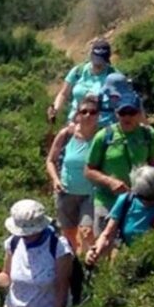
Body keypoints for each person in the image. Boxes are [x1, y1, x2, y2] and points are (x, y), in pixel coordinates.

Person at [82, 92, 154, 232]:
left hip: (139, 202)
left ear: (139, 113)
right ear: (116, 113)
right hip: (107, 201)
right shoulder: (104, 136)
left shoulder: (148, 135)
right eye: (123, 112)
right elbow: (88, 170)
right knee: (103, 245)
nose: (127, 117)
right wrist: (110, 182)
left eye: (132, 112)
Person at [46, 94, 103, 256]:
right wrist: (55, 180)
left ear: (98, 115)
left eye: (93, 112)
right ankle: (73, 264)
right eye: (84, 112)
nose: (88, 115)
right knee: (69, 234)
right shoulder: (66, 135)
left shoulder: (102, 137)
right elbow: (51, 160)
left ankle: (91, 263)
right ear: (77, 114)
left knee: (87, 231)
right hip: (65, 192)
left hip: (90, 193)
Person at [87, 165, 154, 263]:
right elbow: (107, 234)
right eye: (143, 198)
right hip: (129, 259)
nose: (150, 202)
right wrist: (95, 251)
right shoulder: (126, 201)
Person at [47, 37, 115, 124]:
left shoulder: (114, 76)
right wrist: (55, 109)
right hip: (75, 122)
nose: (98, 63)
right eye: (96, 58)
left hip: (102, 124)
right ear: (91, 56)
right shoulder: (78, 71)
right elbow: (64, 94)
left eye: (102, 59)